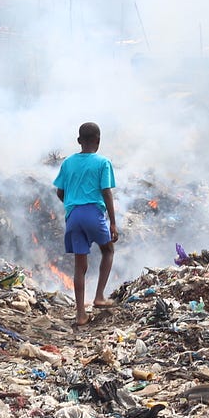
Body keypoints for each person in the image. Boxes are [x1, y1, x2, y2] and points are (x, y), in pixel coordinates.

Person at [53, 121, 118, 328]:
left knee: (79, 266)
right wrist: (113, 223)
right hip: (93, 213)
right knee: (108, 250)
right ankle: (99, 296)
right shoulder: (103, 162)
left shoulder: (68, 163)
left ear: (79, 141)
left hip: (73, 216)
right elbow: (107, 192)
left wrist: (72, 204)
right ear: (98, 141)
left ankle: (80, 315)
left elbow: (59, 192)